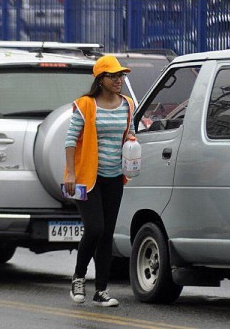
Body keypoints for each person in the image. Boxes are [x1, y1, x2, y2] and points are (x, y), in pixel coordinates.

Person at [64, 55, 134, 307]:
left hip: (114, 177)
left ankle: (101, 290)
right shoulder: (85, 105)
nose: (119, 80)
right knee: (95, 228)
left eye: (121, 76)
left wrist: (133, 153)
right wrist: (70, 173)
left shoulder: (127, 105)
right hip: (85, 179)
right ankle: (79, 277)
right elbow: (70, 140)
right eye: (113, 76)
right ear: (101, 79)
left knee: (107, 235)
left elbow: (131, 134)